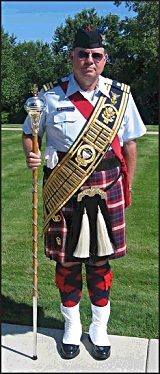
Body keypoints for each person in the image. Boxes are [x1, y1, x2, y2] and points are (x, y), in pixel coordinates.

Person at [22, 27, 146, 360]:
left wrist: (127, 184)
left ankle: (99, 328)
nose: (88, 61)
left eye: (96, 55)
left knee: (99, 262)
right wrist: (31, 154)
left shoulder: (120, 96)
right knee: (66, 262)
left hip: (107, 189)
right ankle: (72, 327)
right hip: (63, 189)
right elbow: (29, 134)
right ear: (71, 57)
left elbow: (130, 144)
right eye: (82, 54)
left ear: (104, 59)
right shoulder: (50, 96)